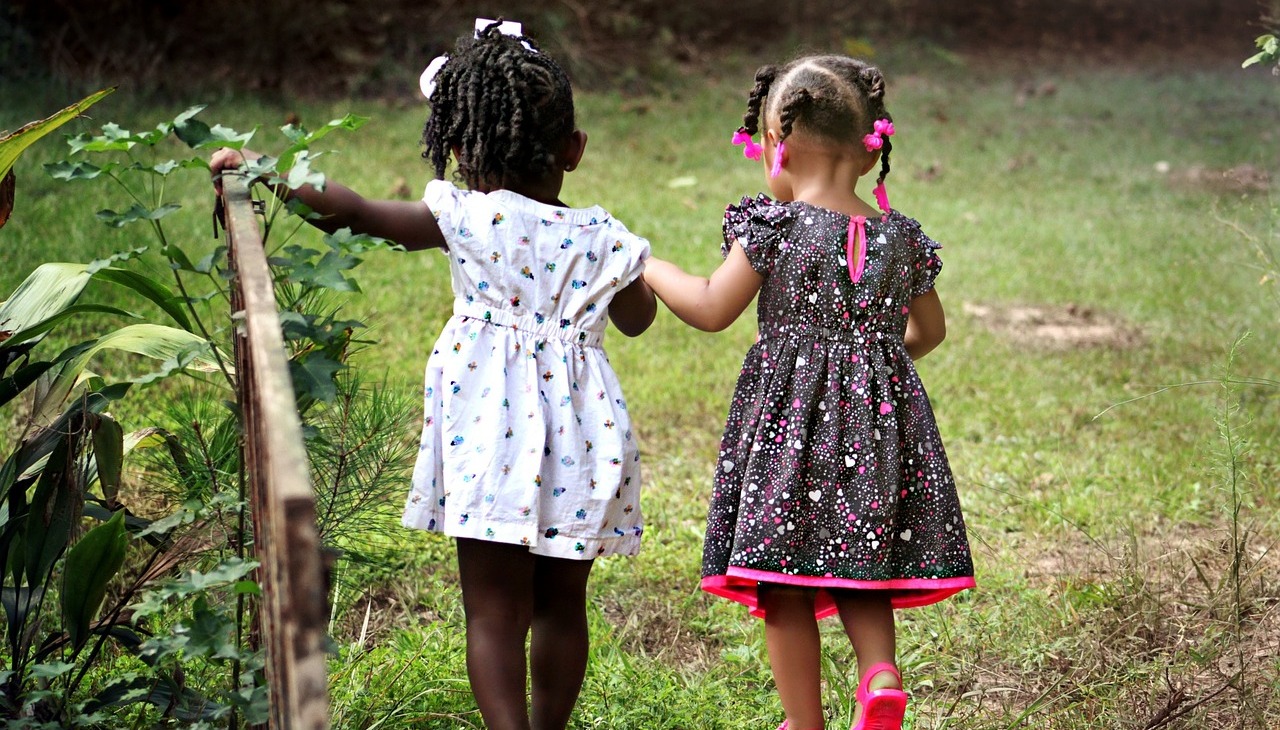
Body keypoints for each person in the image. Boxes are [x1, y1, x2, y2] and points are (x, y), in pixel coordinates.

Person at [210, 21, 657, 730]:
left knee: (492, 611)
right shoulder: (601, 235)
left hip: (487, 437)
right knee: (561, 606)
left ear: (457, 149)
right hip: (581, 440)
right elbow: (639, 318)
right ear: (574, 151)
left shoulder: (464, 217)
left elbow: (352, 213)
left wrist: (270, 169)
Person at [643, 55, 975, 730]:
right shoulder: (900, 237)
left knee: (783, 582)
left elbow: (710, 308)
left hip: (787, 437)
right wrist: (871, 371)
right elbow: (929, 331)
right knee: (862, 563)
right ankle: (879, 675)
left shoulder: (776, 227)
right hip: (877, 433)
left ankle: (804, 722)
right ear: (866, 147)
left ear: (778, 146)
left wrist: (647, 265)